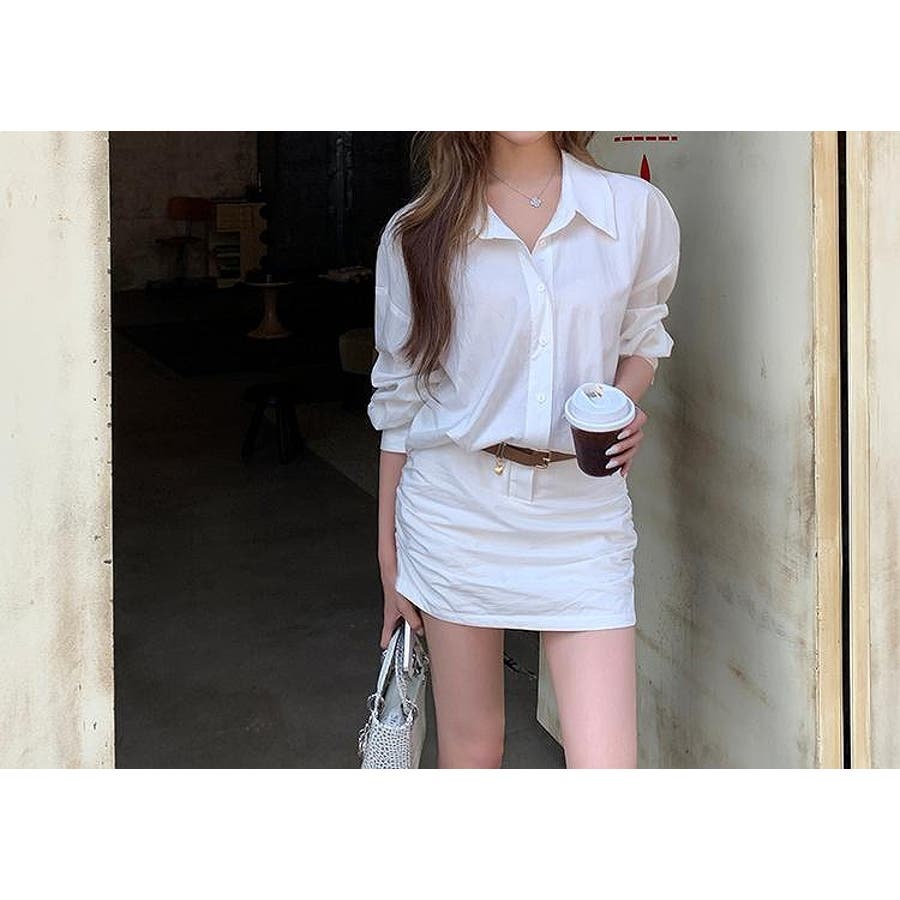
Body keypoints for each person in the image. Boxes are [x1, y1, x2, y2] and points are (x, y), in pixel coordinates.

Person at [367, 131, 681, 768]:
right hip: (456, 511)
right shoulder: (417, 232)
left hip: (581, 515)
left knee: (606, 766)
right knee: (473, 752)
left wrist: (617, 404)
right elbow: (400, 405)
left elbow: (643, 336)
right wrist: (388, 558)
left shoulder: (632, 209)